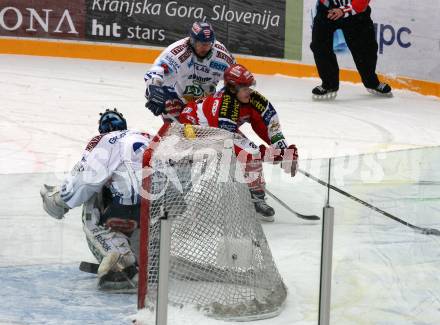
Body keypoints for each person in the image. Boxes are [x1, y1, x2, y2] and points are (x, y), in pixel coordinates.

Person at [40, 109, 152, 290]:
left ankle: (121, 259)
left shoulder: (102, 140)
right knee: (125, 192)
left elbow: (84, 181)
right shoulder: (147, 135)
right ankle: (151, 255)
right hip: (166, 205)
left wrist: (58, 201)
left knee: (92, 198)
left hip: (131, 203)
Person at [179, 64, 298, 222]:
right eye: (243, 87)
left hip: (223, 129)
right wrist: (271, 155)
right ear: (232, 88)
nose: (248, 90)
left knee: (249, 155)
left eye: (249, 86)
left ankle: (252, 191)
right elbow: (233, 144)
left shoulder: (255, 100)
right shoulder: (224, 106)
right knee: (247, 155)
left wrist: (284, 151)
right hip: (195, 128)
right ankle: (255, 199)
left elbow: (272, 128)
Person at [144, 21, 235, 122]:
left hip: (206, 102)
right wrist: (153, 88)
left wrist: (223, 98)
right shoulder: (178, 51)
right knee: (172, 110)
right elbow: (157, 70)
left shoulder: (222, 55)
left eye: (208, 44)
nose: (205, 48)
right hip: (178, 97)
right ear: (192, 40)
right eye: (201, 44)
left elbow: (235, 76)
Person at [310, 0, 392, 99]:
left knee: (366, 49)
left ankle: (371, 82)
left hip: (357, 15)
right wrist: (329, 5)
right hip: (327, 11)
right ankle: (329, 85)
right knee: (319, 45)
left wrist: (344, 10)